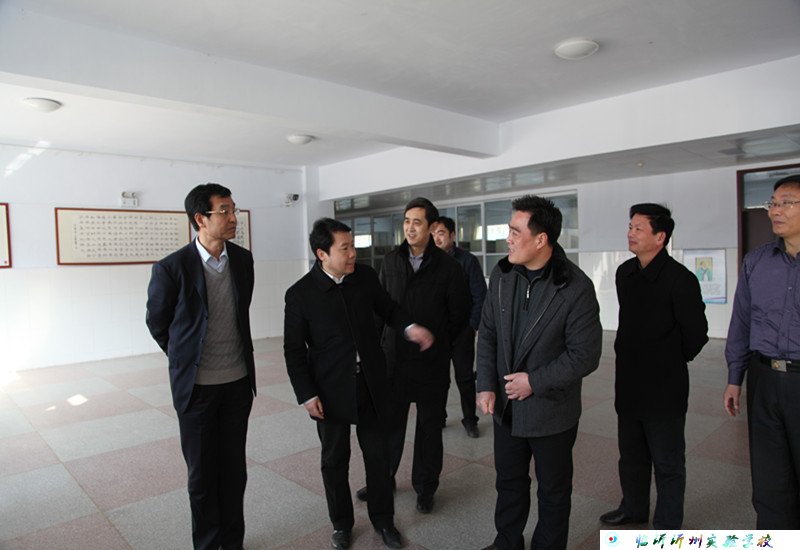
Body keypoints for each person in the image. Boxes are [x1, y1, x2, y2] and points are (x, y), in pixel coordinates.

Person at [283, 218, 434, 549]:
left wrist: (409, 327)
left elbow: (389, 309)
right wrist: (306, 394)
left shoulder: (364, 277)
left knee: (378, 457)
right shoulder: (300, 295)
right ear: (322, 254)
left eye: (353, 246)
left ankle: (384, 521)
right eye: (345, 248)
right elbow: (293, 351)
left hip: (371, 384)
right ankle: (341, 524)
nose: (353, 254)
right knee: (334, 461)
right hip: (329, 390)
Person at [476, 194, 602, 550]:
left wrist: (534, 381)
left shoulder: (575, 287)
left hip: (551, 411)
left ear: (541, 239)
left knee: (553, 491)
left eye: (516, 232)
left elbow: (585, 355)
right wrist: (485, 384)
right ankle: (507, 542)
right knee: (509, 483)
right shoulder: (502, 275)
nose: (508, 239)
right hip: (507, 408)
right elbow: (488, 333)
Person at [146, 183, 256, 550]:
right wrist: (186, 359)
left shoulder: (242, 260)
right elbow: (158, 323)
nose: (233, 217)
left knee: (234, 471)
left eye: (233, 209)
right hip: (197, 390)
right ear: (200, 219)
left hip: (237, 383)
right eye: (224, 211)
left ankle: (233, 542)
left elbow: (239, 313)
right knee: (203, 476)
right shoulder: (171, 268)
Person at [357, 197, 470, 514]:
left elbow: (460, 315)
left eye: (417, 222)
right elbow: (380, 307)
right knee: (389, 426)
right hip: (394, 360)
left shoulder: (449, 267)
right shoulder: (391, 260)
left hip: (431, 362)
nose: (409, 227)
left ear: (432, 227)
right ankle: (384, 479)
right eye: (406, 221)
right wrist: (373, 348)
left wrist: (440, 342)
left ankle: (425, 487)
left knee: (429, 429)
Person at [599, 204, 708, 530]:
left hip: (664, 387)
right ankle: (633, 508)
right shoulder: (625, 273)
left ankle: (667, 526)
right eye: (630, 227)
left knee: (667, 462)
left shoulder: (681, 279)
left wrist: (669, 359)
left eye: (638, 228)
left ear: (660, 237)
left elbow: (696, 334)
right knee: (631, 455)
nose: (630, 233)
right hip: (629, 383)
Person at [724, 173, 800, 528]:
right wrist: (734, 377)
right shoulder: (756, 261)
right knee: (770, 478)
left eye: (786, 203)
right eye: (772, 203)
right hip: (764, 378)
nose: (775, 211)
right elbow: (741, 322)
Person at [432, 215, 487, 438]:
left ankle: (470, 420)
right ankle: (439, 416)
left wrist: (472, 326)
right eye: (432, 234)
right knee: (439, 378)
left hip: (462, 331)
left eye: (441, 233)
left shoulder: (467, 261)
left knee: (465, 378)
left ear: (452, 235)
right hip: (437, 333)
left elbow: (480, 295)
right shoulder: (427, 262)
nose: (436, 239)